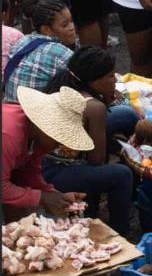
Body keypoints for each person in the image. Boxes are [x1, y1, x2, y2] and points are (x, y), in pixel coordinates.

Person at [41, 47, 137, 235]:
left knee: (126, 114)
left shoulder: (65, 85)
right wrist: (103, 115)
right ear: (93, 80)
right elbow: (96, 160)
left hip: (45, 159)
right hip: (55, 170)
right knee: (122, 175)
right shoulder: (94, 107)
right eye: (110, 76)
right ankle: (121, 231)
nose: (115, 80)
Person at [2, 86, 90, 221]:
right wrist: (41, 197)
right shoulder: (9, 135)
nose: (59, 144)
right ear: (44, 126)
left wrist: (54, 195)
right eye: (58, 138)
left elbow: (29, 171)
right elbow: (2, 188)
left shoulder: (36, 136)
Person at [3, 0, 75, 102]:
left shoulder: (23, 41)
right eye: (65, 25)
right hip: (35, 114)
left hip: (9, 110)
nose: (72, 27)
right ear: (46, 30)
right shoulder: (62, 54)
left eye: (71, 21)